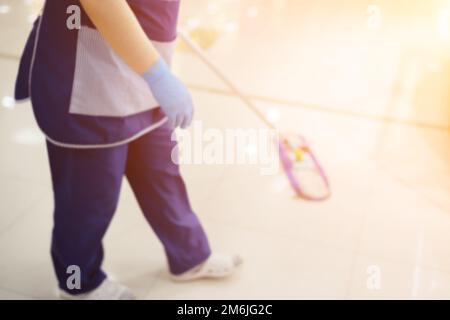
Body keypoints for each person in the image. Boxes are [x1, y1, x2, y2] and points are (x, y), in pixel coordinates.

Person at [14, 0, 241, 300]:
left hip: (143, 70)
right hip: (91, 73)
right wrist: (157, 74)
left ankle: (190, 256)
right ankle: (78, 284)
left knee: (162, 176)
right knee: (88, 200)